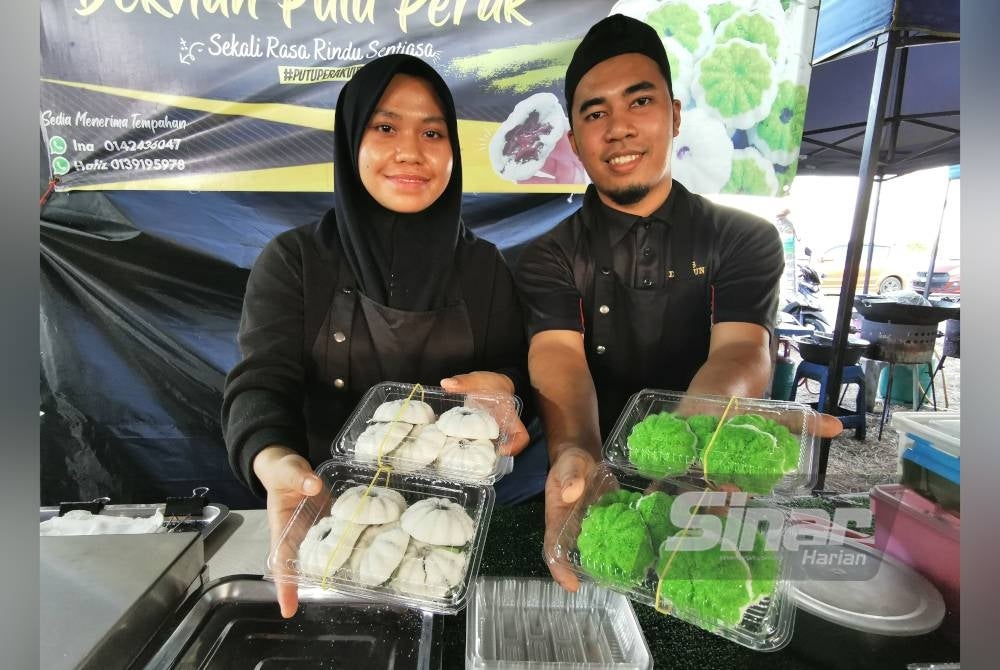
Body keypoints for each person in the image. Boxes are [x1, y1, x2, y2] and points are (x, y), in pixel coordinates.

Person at [513, 15, 843, 591]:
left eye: (640, 102)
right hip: (582, 483)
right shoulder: (549, 254)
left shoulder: (743, 238)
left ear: (675, 115)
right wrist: (577, 453)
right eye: (595, 113)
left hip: (708, 477)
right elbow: (558, 359)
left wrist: (684, 451)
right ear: (574, 141)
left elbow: (742, 349)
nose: (619, 128)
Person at [222, 54, 532, 617]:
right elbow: (260, 383)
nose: (410, 151)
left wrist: (505, 389)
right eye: (385, 128)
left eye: (432, 132)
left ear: (453, 150)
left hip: (453, 533)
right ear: (350, 143)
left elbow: (516, 371)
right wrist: (274, 461)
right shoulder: (296, 261)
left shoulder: (483, 267)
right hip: (330, 523)